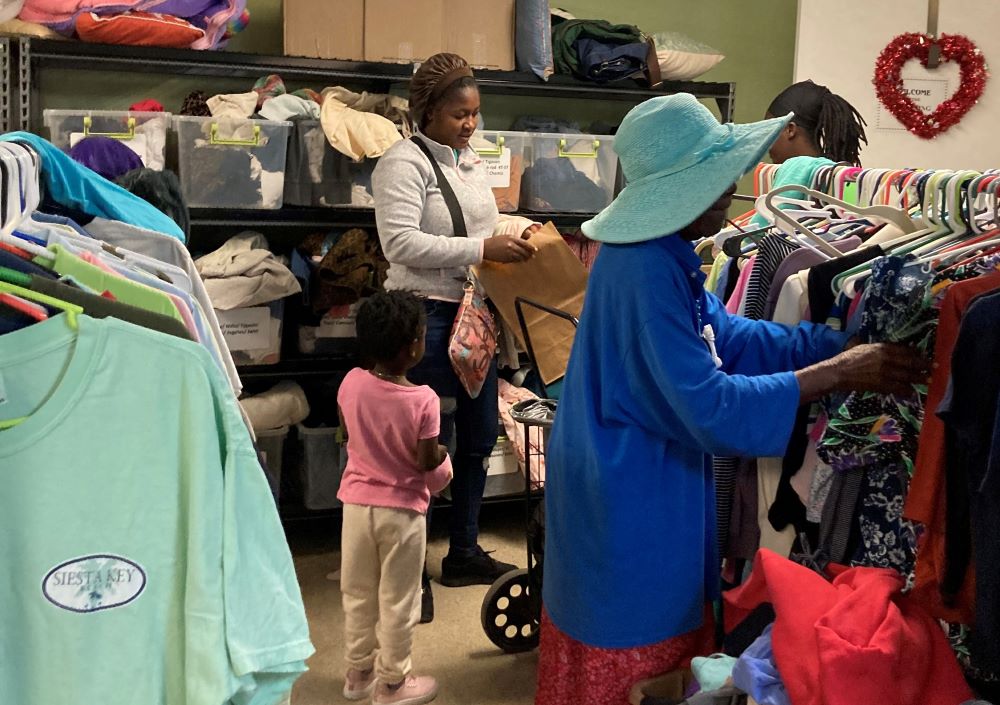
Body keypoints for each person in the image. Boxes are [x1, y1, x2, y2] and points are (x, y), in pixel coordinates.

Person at [536, 94, 929, 705]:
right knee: (638, 660)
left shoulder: (660, 252)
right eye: (711, 181)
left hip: (625, 470)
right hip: (630, 488)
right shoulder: (644, 269)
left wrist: (829, 343)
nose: (728, 192)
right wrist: (836, 373)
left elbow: (730, 334)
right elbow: (708, 404)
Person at [373, 53, 539, 598]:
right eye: (458, 116)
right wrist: (482, 247)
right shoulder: (403, 163)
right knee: (425, 444)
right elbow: (398, 243)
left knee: (477, 436)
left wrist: (515, 233)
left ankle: (463, 552)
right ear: (427, 113)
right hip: (424, 316)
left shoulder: (469, 163)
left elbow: (478, 228)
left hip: (472, 314)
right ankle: (409, 572)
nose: (470, 125)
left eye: (475, 114)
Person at [337, 291, 454, 705]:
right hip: (401, 515)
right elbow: (427, 465)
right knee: (399, 600)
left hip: (355, 507)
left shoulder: (350, 383)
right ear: (414, 346)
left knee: (358, 592)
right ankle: (392, 684)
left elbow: (351, 435)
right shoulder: (424, 400)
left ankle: (358, 673)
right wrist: (445, 462)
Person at [765, 80, 868, 166]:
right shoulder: (844, 178)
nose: (766, 145)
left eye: (769, 132)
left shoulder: (790, 181)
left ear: (790, 129)